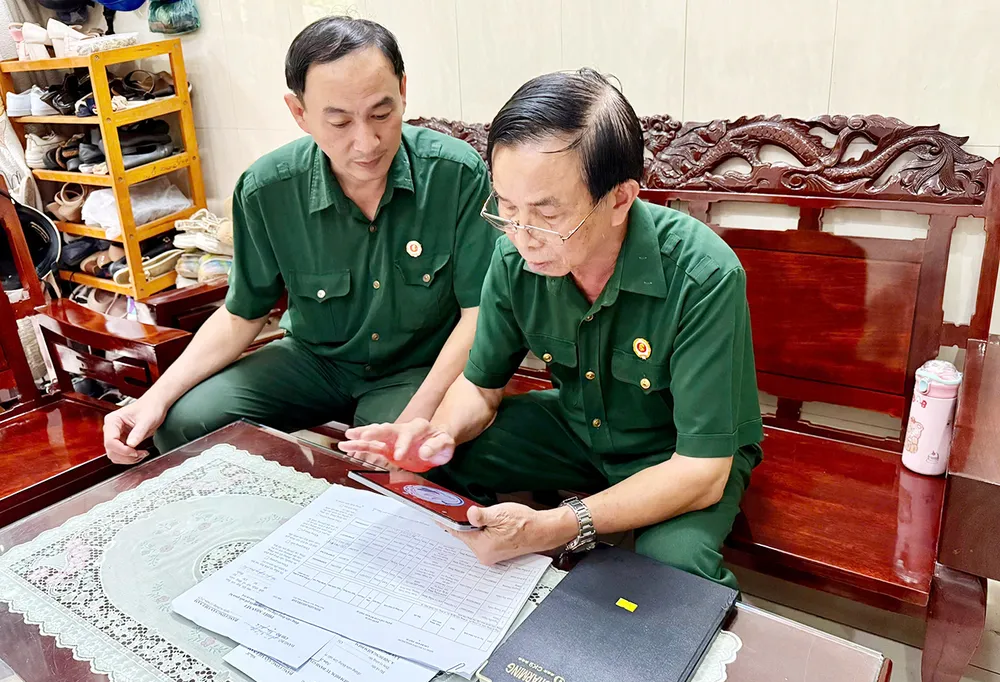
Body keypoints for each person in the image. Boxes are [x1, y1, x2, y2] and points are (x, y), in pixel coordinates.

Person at [340, 69, 763, 588]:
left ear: (619, 199)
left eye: (545, 214)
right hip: (577, 426)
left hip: (675, 452)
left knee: (674, 570)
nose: (521, 236)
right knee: (441, 468)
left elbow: (702, 471)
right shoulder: (514, 257)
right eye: (507, 208)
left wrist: (557, 526)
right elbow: (479, 386)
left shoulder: (703, 273)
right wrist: (436, 435)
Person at [103, 16, 496, 464]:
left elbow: (478, 314)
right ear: (300, 113)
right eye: (339, 122)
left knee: (413, 455)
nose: (366, 143)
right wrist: (152, 398)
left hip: (415, 368)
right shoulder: (266, 188)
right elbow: (241, 315)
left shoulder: (456, 173)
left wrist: (416, 417)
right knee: (183, 422)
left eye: (381, 114)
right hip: (312, 362)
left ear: (403, 90)